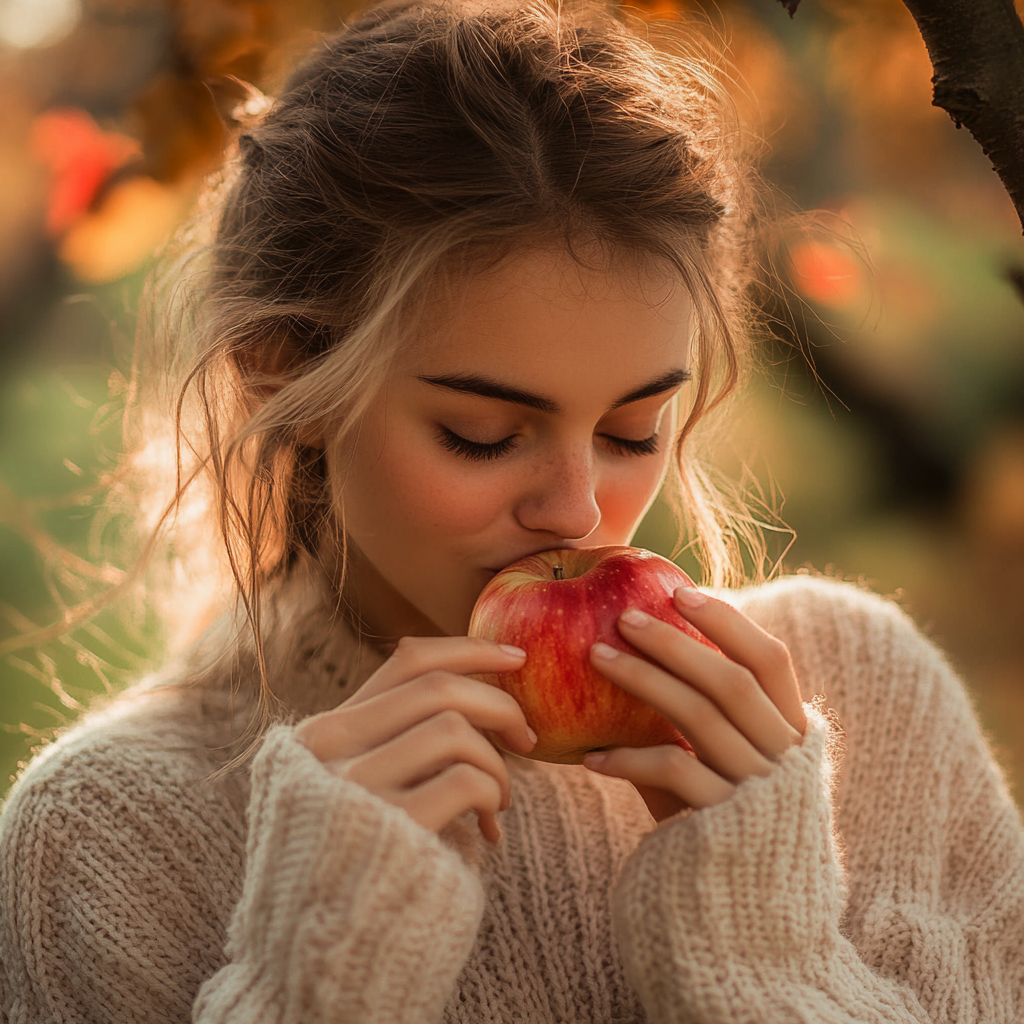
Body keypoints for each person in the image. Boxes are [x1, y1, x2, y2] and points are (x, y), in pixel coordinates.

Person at [2, 0, 1023, 1021]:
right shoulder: (98, 841)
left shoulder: (858, 704)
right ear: (283, 380)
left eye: (634, 430)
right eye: (485, 435)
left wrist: (770, 962)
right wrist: (314, 983)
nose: (578, 512)